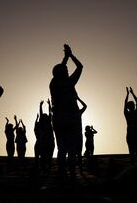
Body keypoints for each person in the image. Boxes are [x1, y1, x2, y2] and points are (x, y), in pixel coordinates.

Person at [49, 44, 83, 178]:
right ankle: (72, 172)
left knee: (61, 148)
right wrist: (70, 56)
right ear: (63, 73)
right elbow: (80, 67)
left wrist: (66, 58)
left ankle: (62, 172)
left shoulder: (53, 83)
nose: (68, 71)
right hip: (69, 118)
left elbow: (59, 70)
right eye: (66, 70)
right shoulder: (68, 83)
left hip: (58, 118)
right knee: (71, 148)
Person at [124, 87, 137, 166]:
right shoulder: (135, 113)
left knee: (132, 152)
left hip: (132, 134)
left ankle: (134, 166)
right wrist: (131, 93)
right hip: (136, 134)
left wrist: (128, 94)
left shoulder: (127, 114)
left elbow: (125, 104)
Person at [75, 95, 87, 173]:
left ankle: (79, 168)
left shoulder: (77, 113)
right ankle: (80, 168)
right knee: (78, 152)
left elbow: (85, 106)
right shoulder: (78, 113)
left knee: (76, 152)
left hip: (77, 134)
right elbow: (85, 106)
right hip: (77, 134)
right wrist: (78, 99)